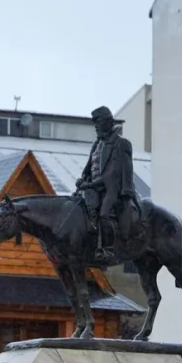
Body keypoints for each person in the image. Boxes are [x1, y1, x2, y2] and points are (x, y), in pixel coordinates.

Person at [74, 105, 136, 262]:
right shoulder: (96, 145)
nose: (95, 126)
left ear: (108, 122)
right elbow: (89, 167)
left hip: (113, 189)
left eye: (98, 122)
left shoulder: (121, 144)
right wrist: (83, 179)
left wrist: (91, 184)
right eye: (94, 123)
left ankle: (108, 248)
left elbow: (112, 175)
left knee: (104, 214)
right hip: (94, 188)